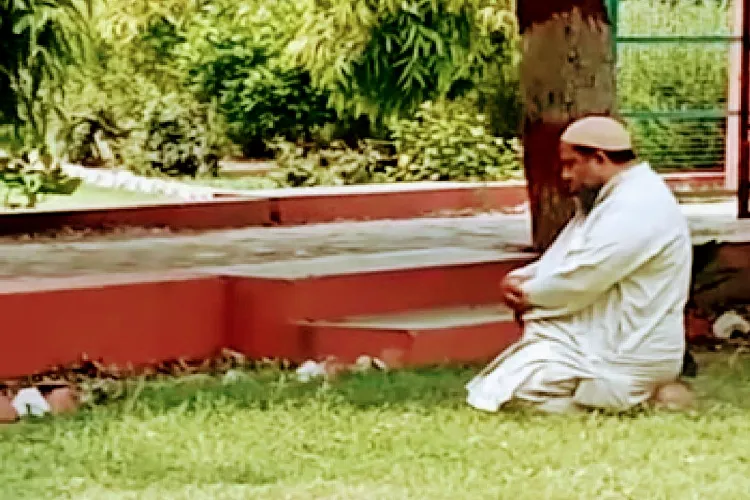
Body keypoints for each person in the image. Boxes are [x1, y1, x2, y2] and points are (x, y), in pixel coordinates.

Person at [466, 115, 694, 414]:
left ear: (598, 159)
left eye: (571, 164)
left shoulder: (638, 207)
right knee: (497, 385)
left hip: (624, 351)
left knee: (514, 396)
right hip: (598, 341)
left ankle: (643, 400)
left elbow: (582, 277)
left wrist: (528, 295)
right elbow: (567, 257)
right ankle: (635, 397)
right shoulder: (611, 201)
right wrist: (522, 277)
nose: (564, 175)